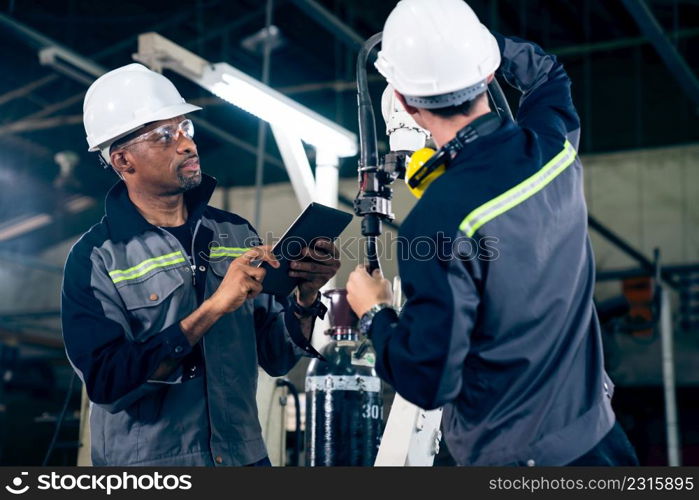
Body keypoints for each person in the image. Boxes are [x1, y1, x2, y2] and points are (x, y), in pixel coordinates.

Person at [346, 0, 638, 466]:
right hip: (601, 440)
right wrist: (474, 47)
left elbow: (427, 381)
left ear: (400, 101)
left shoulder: (437, 222)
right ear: (487, 75)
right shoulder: (554, 149)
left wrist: (373, 313)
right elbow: (545, 73)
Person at [62, 63, 339, 466]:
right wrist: (213, 308)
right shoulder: (96, 258)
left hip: (243, 457)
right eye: (163, 135)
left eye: (185, 129)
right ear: (123, 161)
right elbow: (108, 382)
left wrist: (305, 297)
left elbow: (276, 358)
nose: (187, 145)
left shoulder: (236, 234)